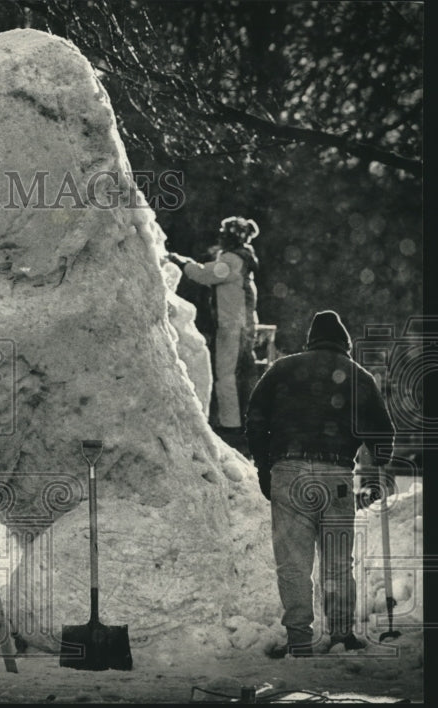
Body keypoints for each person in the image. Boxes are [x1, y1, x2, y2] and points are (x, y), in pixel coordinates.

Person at [245, 310, 395, 658]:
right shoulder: (358, 377)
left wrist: (264, 469)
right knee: (338, 562)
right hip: (337, 476)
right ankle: (341, 634)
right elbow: (383, 436)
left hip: (289, 471)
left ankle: (299, 638)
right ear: (345, 345)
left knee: (293, 563)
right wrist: (378, 458)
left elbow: (255, 418)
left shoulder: (282, 368)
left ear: (310, 340)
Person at [168, 216, 260, 438]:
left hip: (232, 326)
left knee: (226, 375)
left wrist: (181, 263)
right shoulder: (241, 259)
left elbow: (204, 274)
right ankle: (243, 424)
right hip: (241, 325)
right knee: (240, 374)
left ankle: (231, 427)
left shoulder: (231, 260)